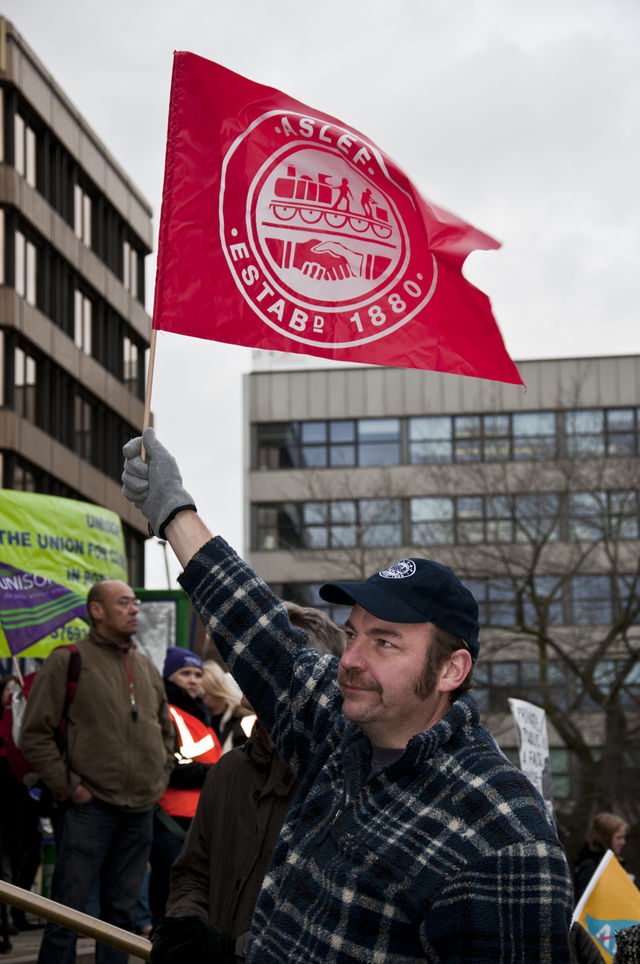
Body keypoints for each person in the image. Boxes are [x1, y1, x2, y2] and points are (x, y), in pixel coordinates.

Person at [122, 428, 575, 963]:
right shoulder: (343, 731)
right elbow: (259, 631)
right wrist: (174, 510)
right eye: (355, 633)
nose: (352, 659)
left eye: (386, 642)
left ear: (451, 669)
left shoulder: (502, 838)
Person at [152, 603, 345, 963]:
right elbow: (192, 872)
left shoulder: (346, 783)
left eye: (264, 675)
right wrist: (187, 927)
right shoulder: (228, 771)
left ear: (315, 683)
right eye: (246, 676)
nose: (244, 697)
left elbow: (337, 917)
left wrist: (239, 950)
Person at [19, 580, 175, 964]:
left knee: (120, 918)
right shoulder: (68, 660)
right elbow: (33, 735)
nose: (135, 609)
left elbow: (165, 731)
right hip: (88, 809)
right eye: (124, 602)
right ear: (97, 610)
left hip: (139, 810)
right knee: (66, 915)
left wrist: (159, 776)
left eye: (135, 602)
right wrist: (71, 788)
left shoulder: (145, 665)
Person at [149, 646, 222, 925]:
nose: (193, 680)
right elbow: (170, 766)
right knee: (169, 901)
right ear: (169, 678)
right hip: (171, 822)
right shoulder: (167, 711)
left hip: (197, 821)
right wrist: (218, 773)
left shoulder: (198, 716)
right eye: (185, 673)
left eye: (197, 674)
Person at [574, 812, 629, 900]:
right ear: (605, 838)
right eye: (619, 838)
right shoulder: (590, 866)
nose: (623, 842)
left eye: (624, 837)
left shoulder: (613, 863)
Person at [200, 660, 250, 753]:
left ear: (215, 691)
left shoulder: (241, 720)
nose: (201, 700)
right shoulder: (205, 718)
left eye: (203, 695)